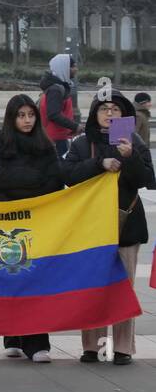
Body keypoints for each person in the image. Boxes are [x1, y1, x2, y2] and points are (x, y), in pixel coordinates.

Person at [63, 90, 154, 366]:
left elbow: (148, 178)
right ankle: (92, 346)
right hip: (91, 227)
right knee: (92, 286)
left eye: (115, 109)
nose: (110, 114)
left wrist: (129, 157)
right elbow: (67, 175)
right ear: (95, 114)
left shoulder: (133, 140)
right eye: (104, 109)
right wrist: (98, 164)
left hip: (125, 224)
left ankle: (123, 348)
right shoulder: (82, 143)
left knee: (123, 287)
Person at [0, 95, 65, 363]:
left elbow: (54, 182)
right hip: (5, 223)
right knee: (10, 278)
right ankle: (12, 337)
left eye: (30, 115)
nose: (27, 120)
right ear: (11, 117)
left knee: (35, 280)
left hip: (36, 222)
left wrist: (15, 183)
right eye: (21, 115)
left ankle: (38, 342)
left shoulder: (45, 145)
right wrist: (31, 181)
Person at [39, 53, 80, 156]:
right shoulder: (55, 90)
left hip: (58, 137)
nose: (76, 69)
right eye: (73, 66)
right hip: (55, 140)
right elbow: (54, 114)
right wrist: (75, 126)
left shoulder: (57, 87)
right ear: (64, 68)